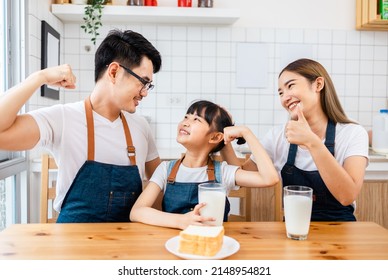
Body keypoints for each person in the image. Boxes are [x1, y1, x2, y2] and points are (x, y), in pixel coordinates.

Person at [0, 29, 162, 223]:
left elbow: (160, 185)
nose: (145, 93)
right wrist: (39, 78)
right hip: (72, 243)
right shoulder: (63, 118)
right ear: (114, 72)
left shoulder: (141, 126)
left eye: (148, 85)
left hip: (127, 243)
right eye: (143, 82)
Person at [223, 58, 369, 222]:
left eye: (290, 86)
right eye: (280, 93)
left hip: (341, 229)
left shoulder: (353, 133)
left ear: (318, 85)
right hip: (294, 228)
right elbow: (241, 177)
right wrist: (224, 137)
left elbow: (347, 196)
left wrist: (311, 142)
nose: (285, 97)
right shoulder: (277, 136)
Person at [130, 100, 279, 229]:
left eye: (196, 120)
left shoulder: (223, 173)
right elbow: (136, 212)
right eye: (186, 117)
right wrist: (181, 221)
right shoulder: (165, 170)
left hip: (212, 244)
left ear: (215, 137)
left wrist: (246, 133)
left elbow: (270, 179)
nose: (186, 122)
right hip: (175, 244)